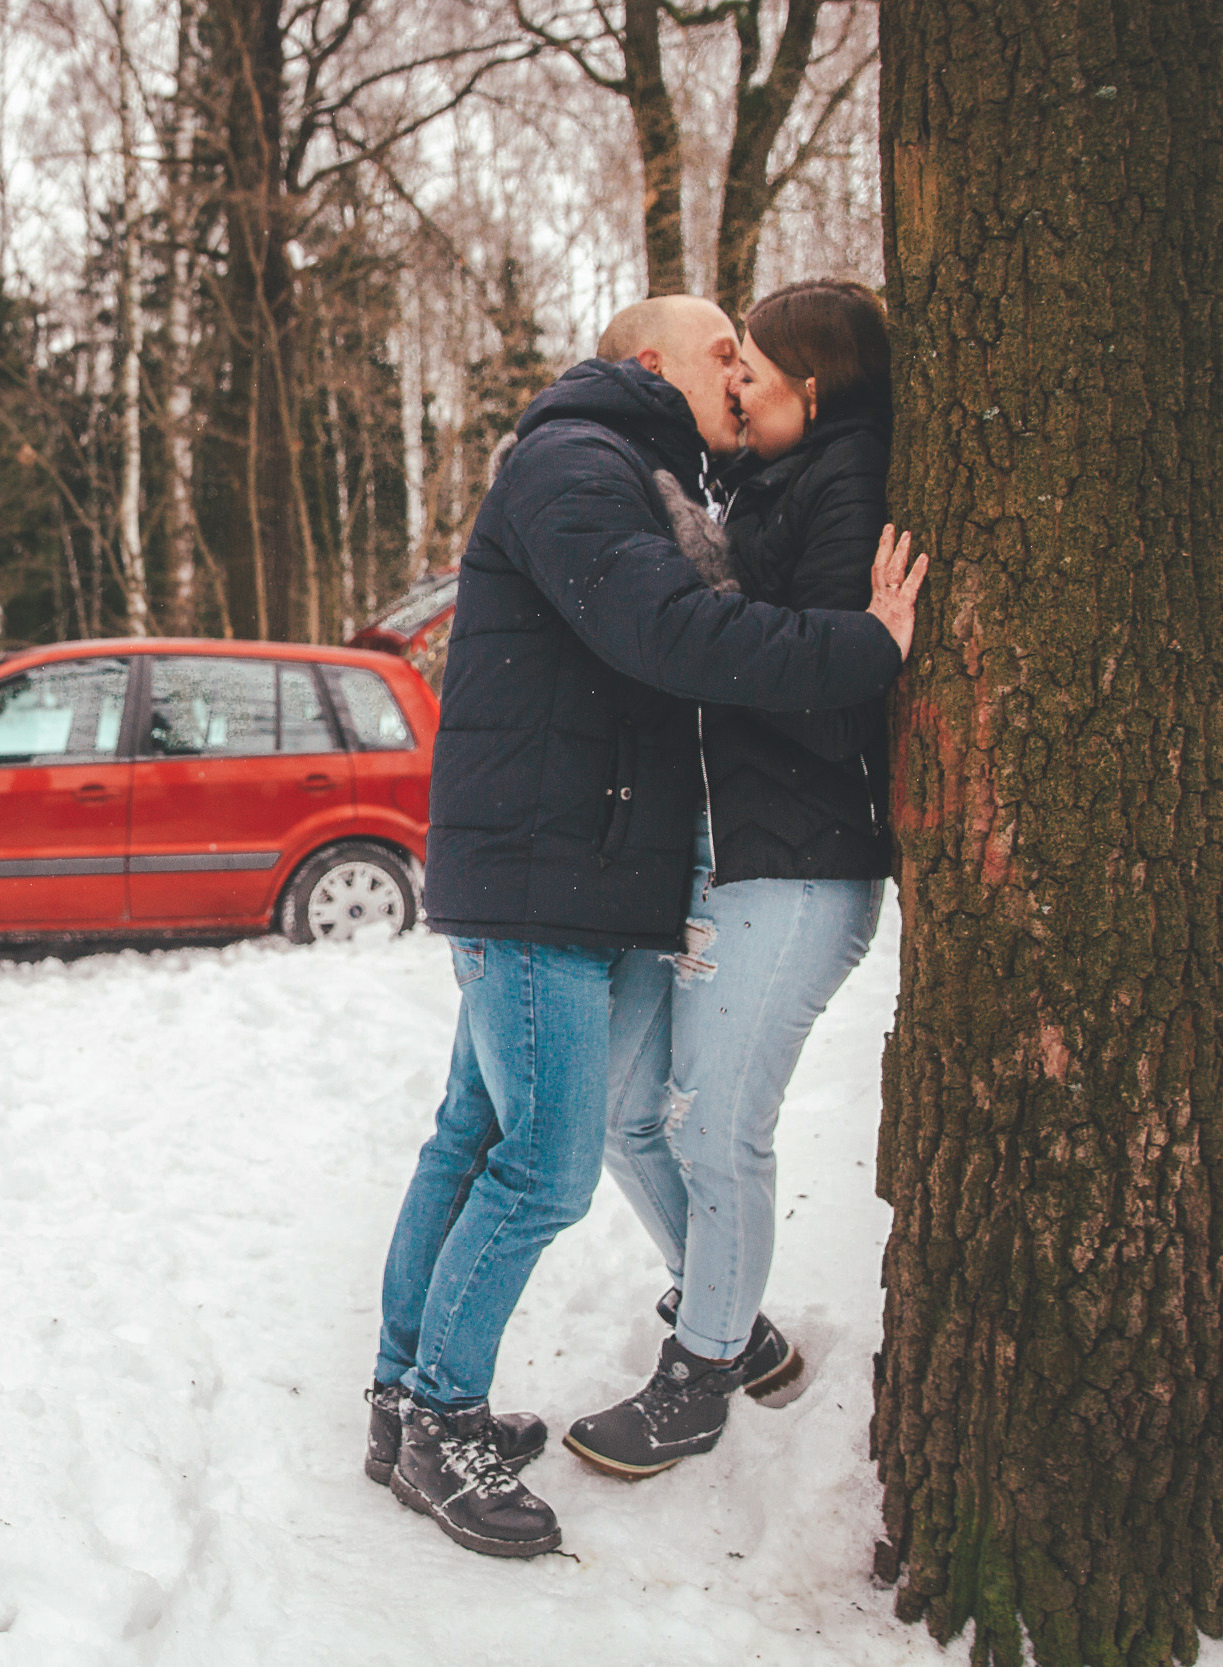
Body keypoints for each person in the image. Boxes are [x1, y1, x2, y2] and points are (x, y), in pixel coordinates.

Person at [363, 292, 927, 1559]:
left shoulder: (639, 471)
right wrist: (865, 648)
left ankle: (403, 1397)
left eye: (752, 354)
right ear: (644, 362)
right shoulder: (579, 462)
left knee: (474, 1137)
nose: (738, 369)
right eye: (720, 348)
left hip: (572, 866)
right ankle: (436, 1419)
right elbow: (666, 632)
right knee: (547, 1165)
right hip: (544, 873)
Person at [564, 280, 900, 1479]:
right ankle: (734, 1323)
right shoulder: (765, 480)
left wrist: (709, 608)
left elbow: (827, 696)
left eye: (750, 362)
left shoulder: (843, 481)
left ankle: (699, 1374)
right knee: (621, 1109)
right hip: (724, 854)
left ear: (812, 386)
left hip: (798, 864)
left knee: (714, 1128)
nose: (736, 379)